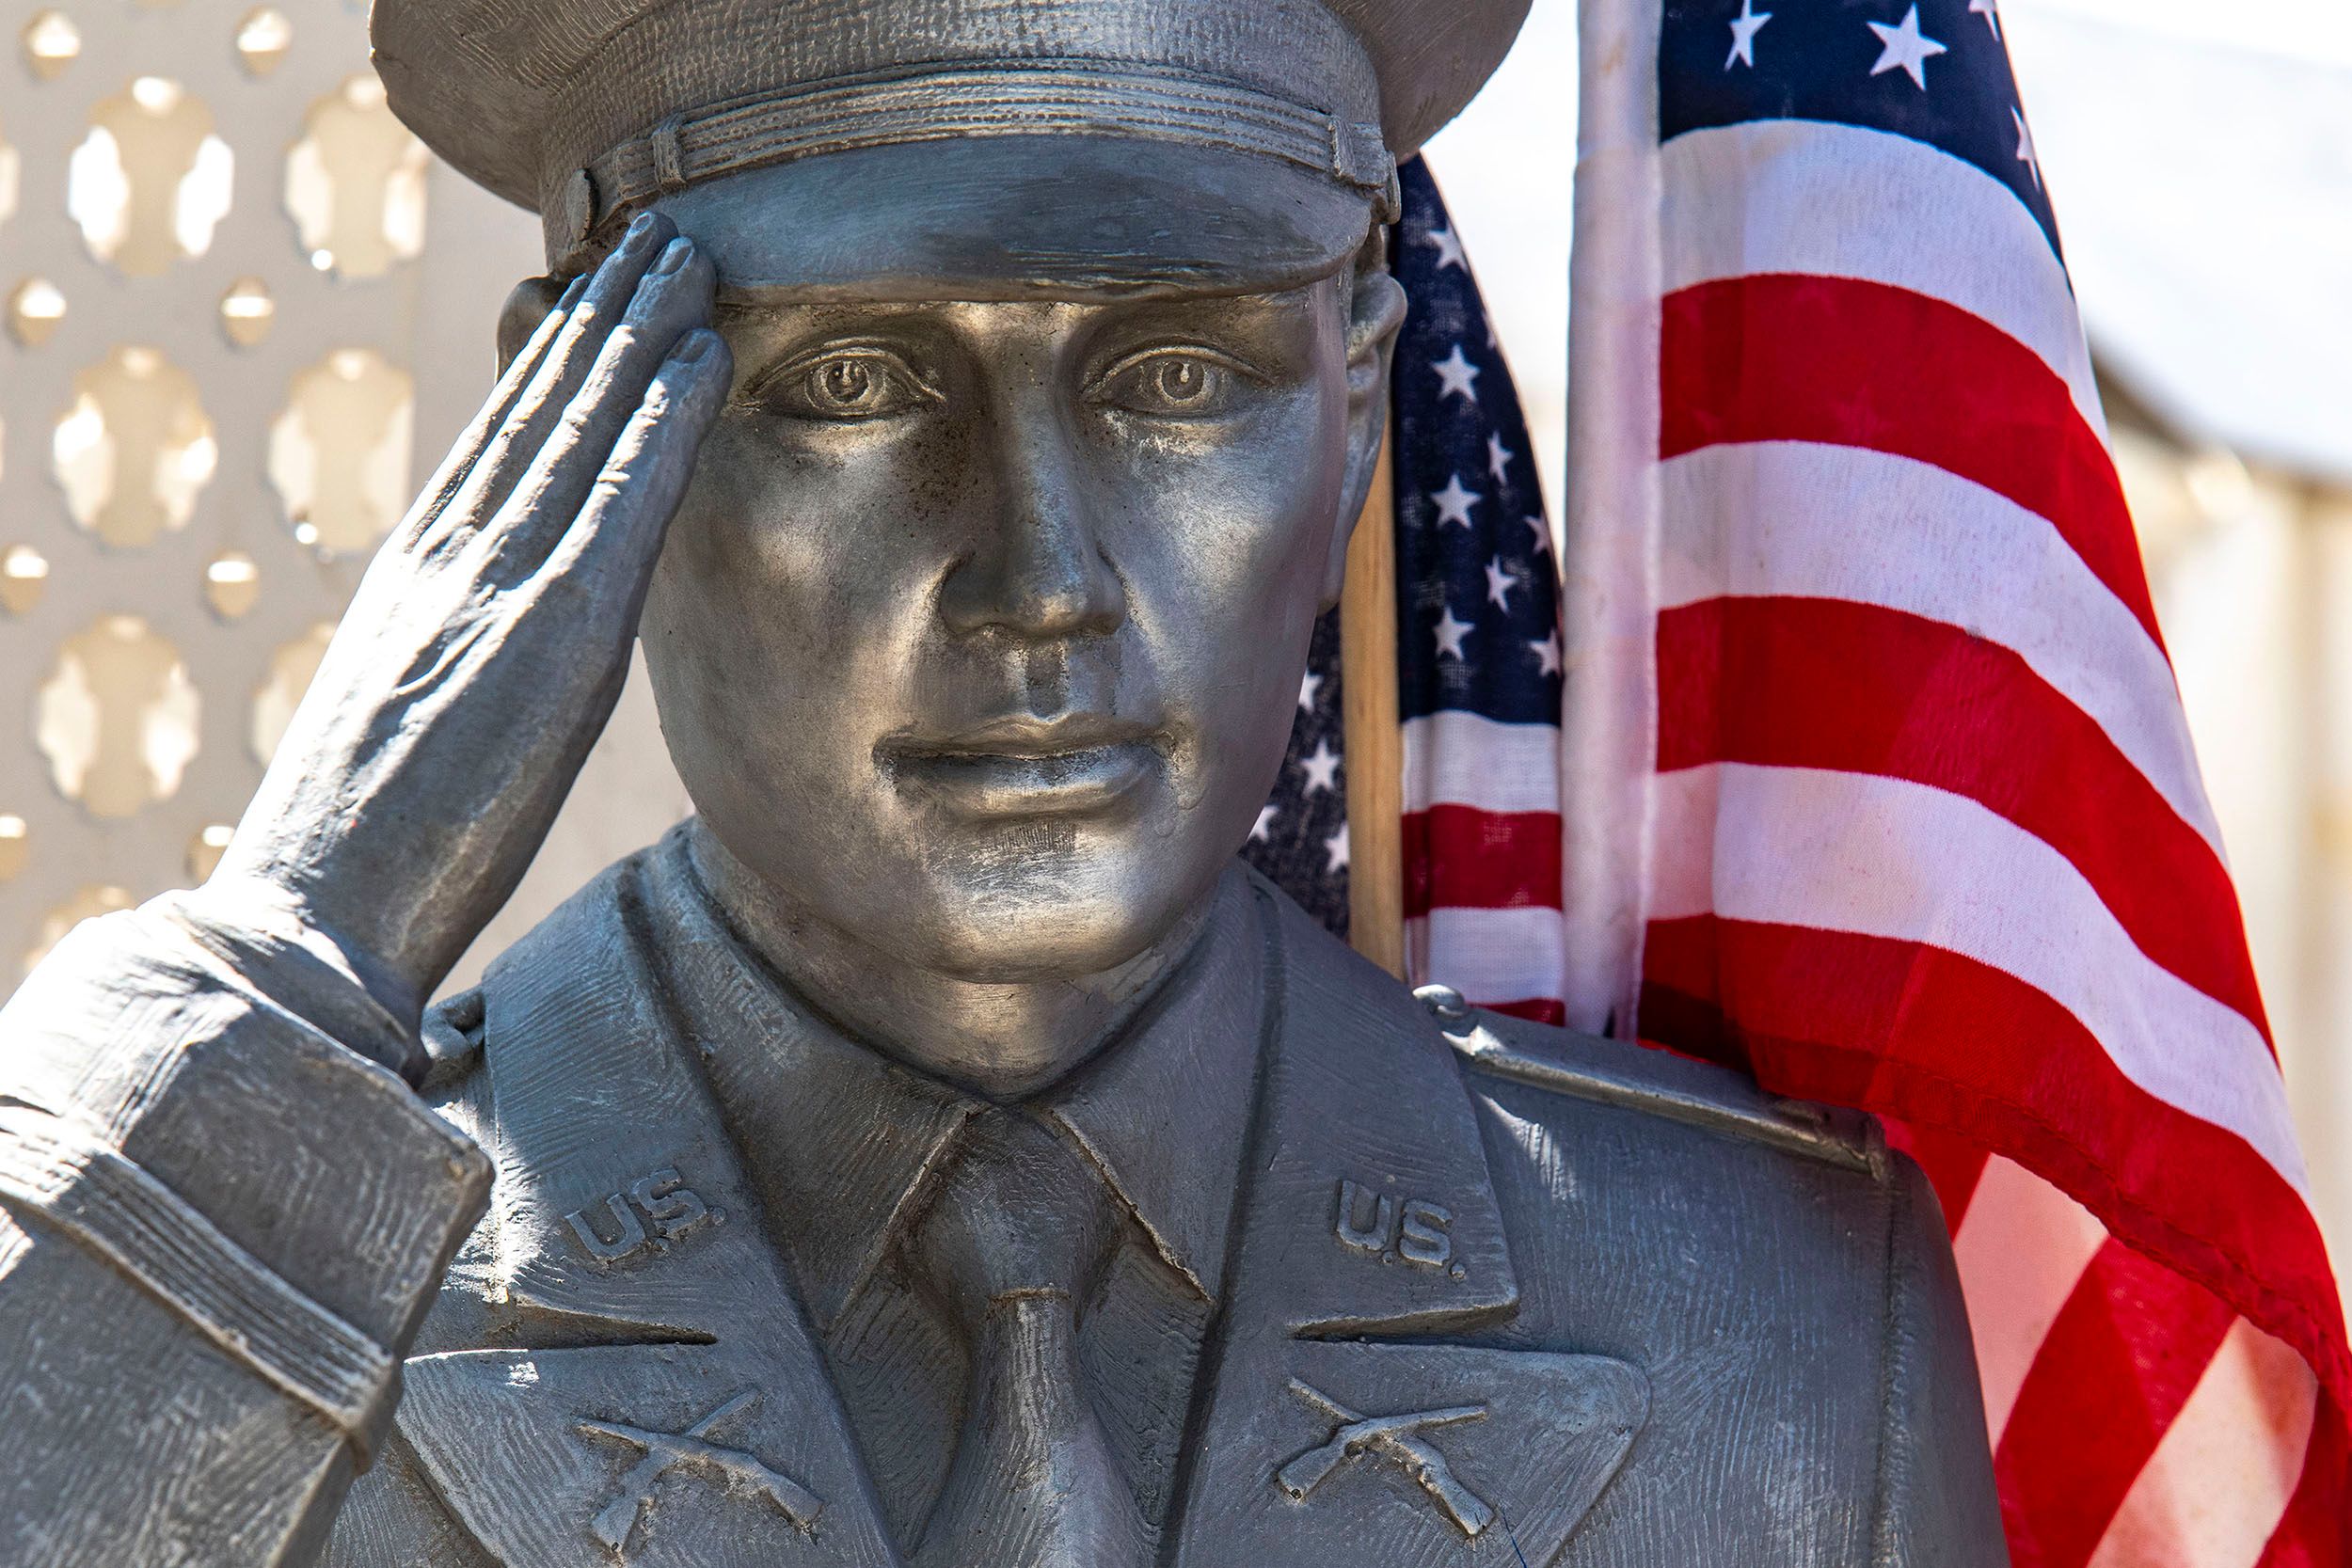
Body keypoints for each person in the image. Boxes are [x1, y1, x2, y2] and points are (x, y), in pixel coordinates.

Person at [0, 1, 2007, 1562]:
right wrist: (274, 975)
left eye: (1179, 381)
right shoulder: (237, 1282)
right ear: (579, 437)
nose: (1038, 580)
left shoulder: (1779, 1329)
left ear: (1358, 407)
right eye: (856, 384)